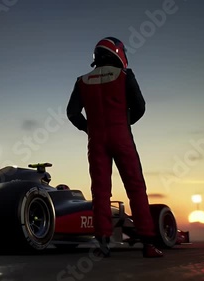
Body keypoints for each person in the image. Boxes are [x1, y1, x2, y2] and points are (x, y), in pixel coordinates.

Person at [66, 37, 163, 258]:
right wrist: (125, 122)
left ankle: (102, 242)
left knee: (100, 191)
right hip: (121, 136)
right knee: (136, 187)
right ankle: (148, 244)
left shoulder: (82, 80)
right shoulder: (125, 76)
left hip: (96, 140)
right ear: (117, 52)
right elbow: (140, 106)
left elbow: (72, 113)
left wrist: (88, 129)